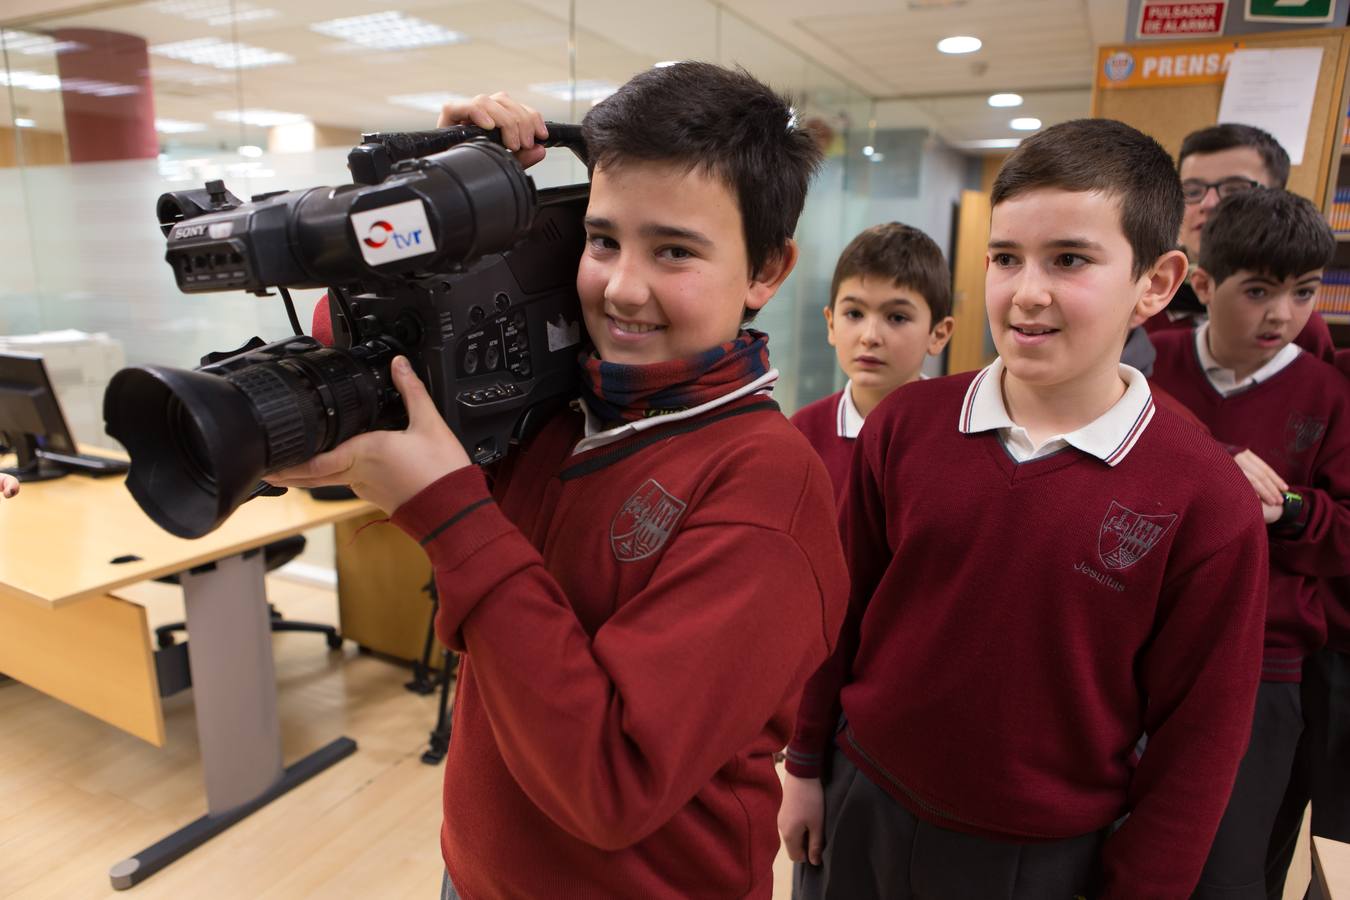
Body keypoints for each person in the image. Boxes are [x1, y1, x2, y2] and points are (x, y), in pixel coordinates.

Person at [274, 65, 850, 899]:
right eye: (604, 238)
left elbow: (612, 782)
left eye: (675, 251)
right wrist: (428, 214)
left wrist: (449, 516)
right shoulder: (558, 400)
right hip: (471, 877)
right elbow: (354, 347)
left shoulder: (766, 490)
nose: (621, 287)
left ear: (767, 271)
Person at [778, 118, 1269, 900]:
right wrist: (805, 764)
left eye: (1069, 260)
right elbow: (839, 612)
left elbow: (1200, 743)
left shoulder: (1206, 499)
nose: (1027, 292)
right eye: (1007, 258)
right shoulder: (906, 425)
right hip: (861, 801)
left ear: (1156, 281)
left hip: (1038, 857)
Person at [1151, 188, 1350, 898]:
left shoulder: (1327, 394)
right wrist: (1215, 462)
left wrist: (1288, 508)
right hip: (1144, 642)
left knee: (1228, 863)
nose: (1282, 315)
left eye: (1302, 293)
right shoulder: (1148, 363)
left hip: (1266, 664)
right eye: (1259, 291)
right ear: (1201, 285)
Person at [789, 222, 953, 497]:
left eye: (897, 317)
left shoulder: (957, 436)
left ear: (938, 334)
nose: (870, 336)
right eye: (854, 314)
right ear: (830, 324)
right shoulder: (801, 435)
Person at [1146, 123, 1334, 361]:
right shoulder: (1139, 304)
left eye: (1234, 190)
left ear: (1277, 198)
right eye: (1192, 191)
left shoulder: (1301, 329)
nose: (1209, 203)